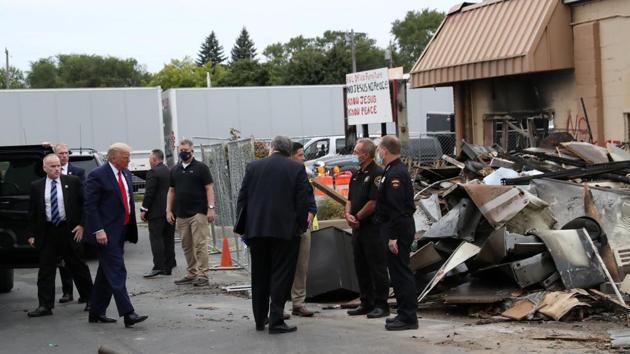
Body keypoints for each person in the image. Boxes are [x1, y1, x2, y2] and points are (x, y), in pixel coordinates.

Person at [236, 136, 309, 334]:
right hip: (285, 231)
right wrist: (301, 226)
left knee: (259, 275)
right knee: (281, 275)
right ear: (288, 151)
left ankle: (260, 319)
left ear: (272, 147)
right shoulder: (296, 169)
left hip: (257, 230)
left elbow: (242, 198)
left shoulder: (254, 167)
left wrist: (243, 227)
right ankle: (276, 319)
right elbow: (301, 202)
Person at [85, 143, 148, 328]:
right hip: (105, 233)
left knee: (106, 273)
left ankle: (96, 311)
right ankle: (128, 313)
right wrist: (98, 230)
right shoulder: (98, 175)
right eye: (126, 157)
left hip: (122, 230)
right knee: (117, 270)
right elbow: (90, 206)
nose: (129, 160)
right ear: (113, 158)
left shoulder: (126, 174)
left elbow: (126, 200)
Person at [26, 154, 93, 317]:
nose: (57, 169)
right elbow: (32, 213)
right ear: (44, 168)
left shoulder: (72, 182)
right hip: (48, 232)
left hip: (69, 230)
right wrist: (31, 234)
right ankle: (45, 305)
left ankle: (91, 299)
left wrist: (82, 225)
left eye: (58, 166)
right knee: (45, 270)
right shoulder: (36, 186)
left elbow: (85, 204)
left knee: (78, 266)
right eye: (53, 166)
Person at [375, 135, 418, 331]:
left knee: (401, 273)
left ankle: (408, 317)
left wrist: (393, 237)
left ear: (384, 150)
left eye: (379, 149)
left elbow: (397, 208)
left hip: (398, 230)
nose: (378, 153)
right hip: (394, 228)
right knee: (397, 272)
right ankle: (402, 312)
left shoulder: (395, 174)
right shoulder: (391, 170)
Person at [345, 138, 389, 319]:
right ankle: (366, 302)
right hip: (357, 229)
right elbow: (349, 199)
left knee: (376, 267)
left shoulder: (377, 174)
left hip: (372, 229)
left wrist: (357, 217)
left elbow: (373, 202)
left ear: (366, 154)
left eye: (356, 152)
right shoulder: (356, 174)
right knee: (360, 266)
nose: (354, 155)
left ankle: (381, 304)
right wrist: (348, 215)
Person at [166, 139, 215, 287]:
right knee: (186, 245)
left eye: (186, 150)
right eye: (181, 150)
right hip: (181, 214)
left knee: (200, 244)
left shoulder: (201, 168)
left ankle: (203, 275)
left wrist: (210, 208)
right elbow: (171, 190)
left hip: (198, 212)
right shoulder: (175, 170)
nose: (183, 153)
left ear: (192, 151)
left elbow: (209, 188)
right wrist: (168, 210)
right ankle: (192, 273)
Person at [54, 143, 87, 305]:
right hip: (57, 224)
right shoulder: (50, 171)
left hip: (74, 224)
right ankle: (67, 291)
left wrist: (82, 223)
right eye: (60, 153)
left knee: (77, 259)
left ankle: (84, 293)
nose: (64, 156)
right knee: (62, 261)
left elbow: (83, 198)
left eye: (66, 153)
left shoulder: (78, 172)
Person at [288, 142, 317, 317]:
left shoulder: (303, 175)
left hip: (303, 227)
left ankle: (298, 302)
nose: (303, 158)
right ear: (290, 156)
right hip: (286, 227)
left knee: (301, 266)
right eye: (300, 154)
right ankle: (276, 304)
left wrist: (311, 214)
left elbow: (310, 200)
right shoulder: (283, 175)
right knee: (283, 266)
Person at [141, 149, 176, 278]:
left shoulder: (153, 172)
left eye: (150, 159)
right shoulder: (169, 170)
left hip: (156, 212)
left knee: (156, 238)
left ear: (155, 159)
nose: (149, 161)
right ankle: (169, 264)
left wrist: (144, 209)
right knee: (168, 238)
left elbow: (149, 193)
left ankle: (158, 266)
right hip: (170, 210)